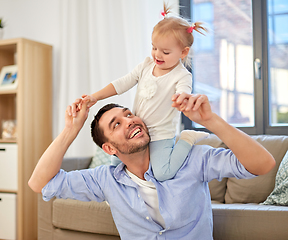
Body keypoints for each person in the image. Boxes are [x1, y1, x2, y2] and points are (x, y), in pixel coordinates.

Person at [28, 93, 275, 240]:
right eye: (116, 124)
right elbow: (39, 183)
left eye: (128, 114)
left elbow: (263, 164)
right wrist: (71, 130)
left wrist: (210, 120)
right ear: (109, 149)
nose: (130, 121)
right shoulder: (106, 180)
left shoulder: (191, 158)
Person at [73, 3, 209, 181]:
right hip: (139, 129)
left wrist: (181, 98)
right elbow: (123, 83)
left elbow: (184, 92)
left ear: (183, 52)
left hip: (161, 134)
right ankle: (115, 193)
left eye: (165, 52)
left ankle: (187, 139)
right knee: (116, 166)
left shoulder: (182, 76)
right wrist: (95, 97)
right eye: (154, 48)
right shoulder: (146, 65)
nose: (157, 55)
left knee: (162, 173)